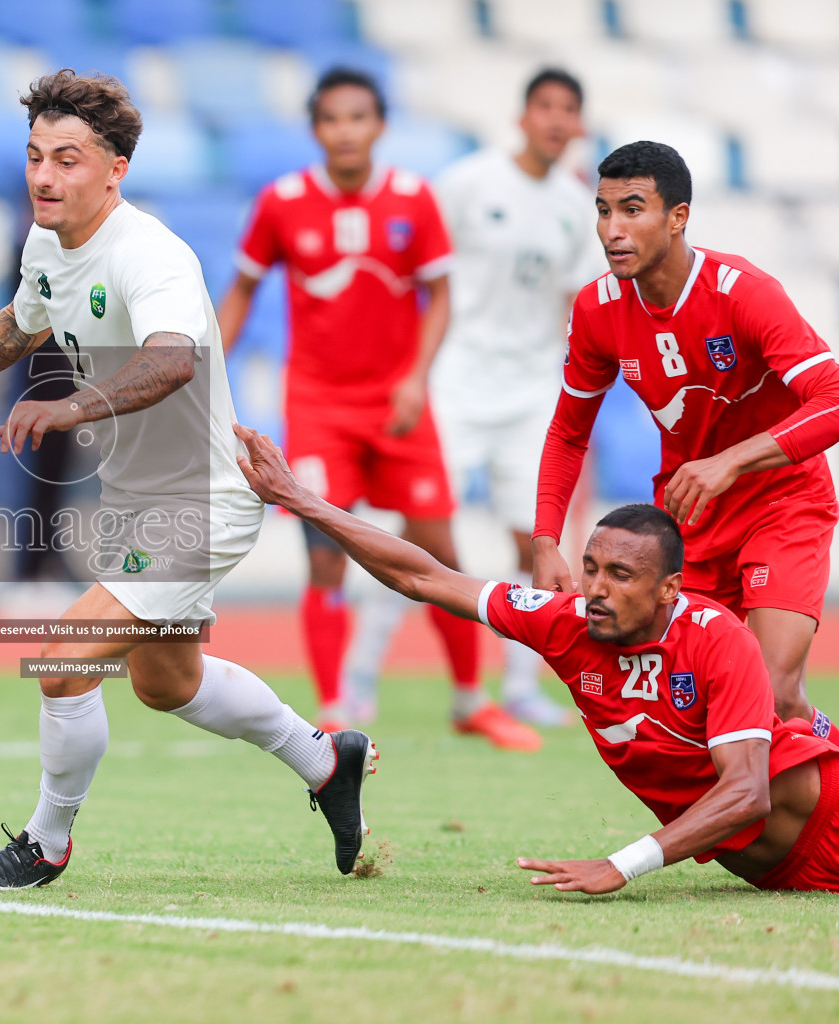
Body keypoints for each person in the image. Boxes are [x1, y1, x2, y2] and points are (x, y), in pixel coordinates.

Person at [0, 71, 378, 890]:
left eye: (67, 159)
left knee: (63, 660)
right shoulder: (48, 242)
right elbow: (21, 320)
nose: (44, 176)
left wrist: (72, 406)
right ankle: (327, 761)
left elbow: (173, 360)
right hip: (136, 499)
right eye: (35, 157)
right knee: (166, 682)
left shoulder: (150, 253)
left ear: (114, 168)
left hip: (199, 501)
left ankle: (45, 844)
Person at [236, 423, 839, 893]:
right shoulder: (566, 622)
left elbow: (748, 794)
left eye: (622, 575)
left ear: (669, 590)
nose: (598, 588)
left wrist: (620, 865)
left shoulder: (717, 637)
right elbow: (423, 576)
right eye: (593, 569)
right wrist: (300, 499)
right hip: (772, 876)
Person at [217, 67, 539, 751]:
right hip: (319, 407)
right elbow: (243, 288)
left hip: (399, 404)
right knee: (326, 554)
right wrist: (206, 364)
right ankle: (333, 708)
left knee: (441, 549)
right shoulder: (282, 202)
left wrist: (418, 377)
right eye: (332, 119)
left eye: (357, 117)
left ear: (379, 126)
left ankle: (467, 699)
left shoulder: (414, 200)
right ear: (316, 130)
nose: (345, 131)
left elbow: (441, 295)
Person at [533, 141, 839, 738]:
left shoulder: (742, 291)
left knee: (769, 691)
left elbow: (833, 396)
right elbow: (569, 431)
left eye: (633, 209)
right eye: (604, 211)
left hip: (784, 502)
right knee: (686, 695)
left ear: (678, 217)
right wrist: (546, 539)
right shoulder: (597, 308)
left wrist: (729, 462)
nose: (613, 230)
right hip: (691, 516)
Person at [427, 68, 599, 728]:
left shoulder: (575, 205)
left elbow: (573, 302)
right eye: (545, 106)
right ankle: (357, 680)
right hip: (456, 378)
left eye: (568, 109)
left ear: (578, 124)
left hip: (530, 391)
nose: (556, 120)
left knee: (537, 540)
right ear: (522, 116)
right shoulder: (468, 182)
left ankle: (523, 686)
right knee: (420, 525)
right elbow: (426, 276)